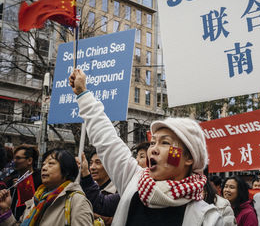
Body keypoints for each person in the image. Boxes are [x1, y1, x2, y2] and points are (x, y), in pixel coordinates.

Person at [69, 69, 222, 226]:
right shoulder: (133, 180)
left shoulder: (208, 219)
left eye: (165, 143)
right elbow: (107, 140)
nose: (153, 149)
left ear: (189, 158)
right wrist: (83, 94)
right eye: (153, 142)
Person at [0, 148, 93, 225]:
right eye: (43, 164)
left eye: (51, 163)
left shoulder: (77, 201)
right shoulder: (36, 199)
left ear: (67, 170)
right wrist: (6, 210)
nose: (44, 168)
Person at [78, 152, 120, 225]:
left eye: (98, 162)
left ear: (110, 166)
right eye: (90, 163)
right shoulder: (85, 189)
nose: (92, 167)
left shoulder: (120, 191)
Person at [4, 145, 42, 221]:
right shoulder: (11, 179)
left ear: (29, 161)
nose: (14, 161)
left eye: (18, 158)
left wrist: (23, 188)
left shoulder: (39, 180)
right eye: (14, 158)